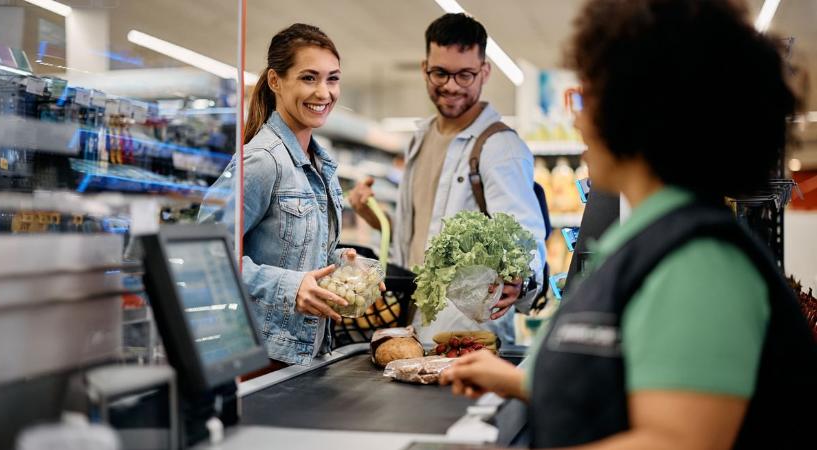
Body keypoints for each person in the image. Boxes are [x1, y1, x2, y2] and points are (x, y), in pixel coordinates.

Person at [440, 0, 817, 448]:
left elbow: (675, 440)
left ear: (639, 111)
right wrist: (516, 380)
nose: (577, 117)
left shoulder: (700, 262)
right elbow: (624, 382)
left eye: (587, 97)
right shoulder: (653, 238)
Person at [348, 13, 547, 343]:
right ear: (425, 67)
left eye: (465, 75)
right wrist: (375, 217)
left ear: (484, 72)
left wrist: (520, 278)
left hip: (468, 336)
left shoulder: (499, 147)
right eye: (440, 73)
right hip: (412, 325)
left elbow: (525, 237)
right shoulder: (421, 138)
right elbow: (423, 239)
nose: (451, 86)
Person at [200, 23, 372, 367]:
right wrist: (290, 287)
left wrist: (344, 270)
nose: (323, 92)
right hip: (262, 359)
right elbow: (206, 255)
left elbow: (288, 252)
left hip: (306, 356)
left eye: (332, 79)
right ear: (276, 82)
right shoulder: (263, 160)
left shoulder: (319, 164)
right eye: (309, 78)